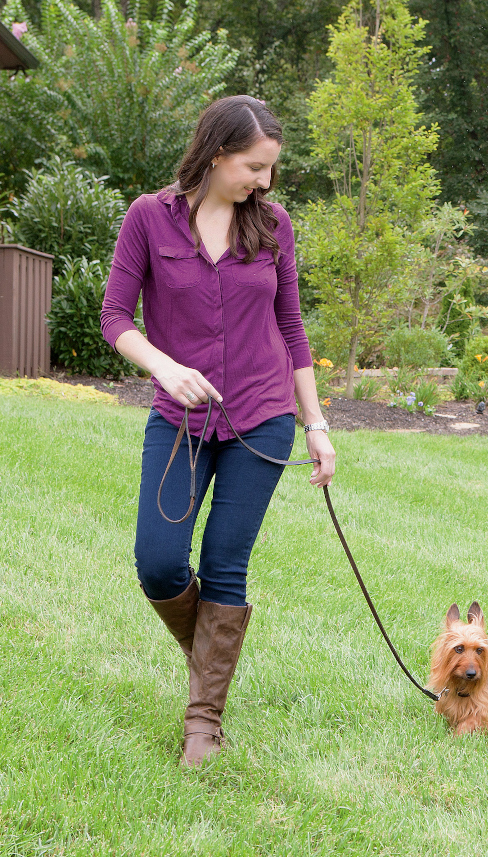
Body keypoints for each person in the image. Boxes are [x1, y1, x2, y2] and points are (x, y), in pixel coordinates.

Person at [101, 95, 336, 767]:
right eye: (253, 167)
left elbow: (291, 327)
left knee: (225, 563)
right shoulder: (150, 218)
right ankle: (211, 655)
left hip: (261, 418)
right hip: (180, 420)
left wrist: (315, 424)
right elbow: (115, 316)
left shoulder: (273, 226)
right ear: (215, 153)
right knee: (158, 561)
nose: (262, 182)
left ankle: (204, 718)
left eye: (269, 170)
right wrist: (164, 367)